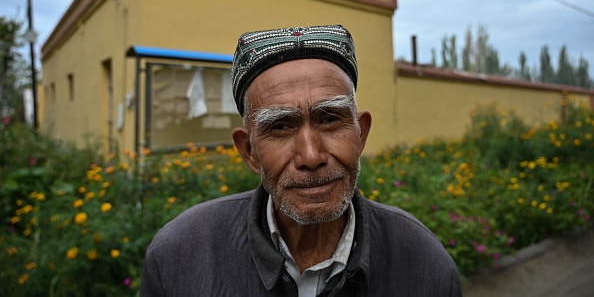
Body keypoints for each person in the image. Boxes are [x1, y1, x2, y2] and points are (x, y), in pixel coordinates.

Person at [140, 25, 462, 296]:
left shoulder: (424, 264)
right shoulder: (179, 258)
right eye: (280, 127)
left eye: (330, 119)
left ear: (360, 135)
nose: (311, 156)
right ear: (249, 151)